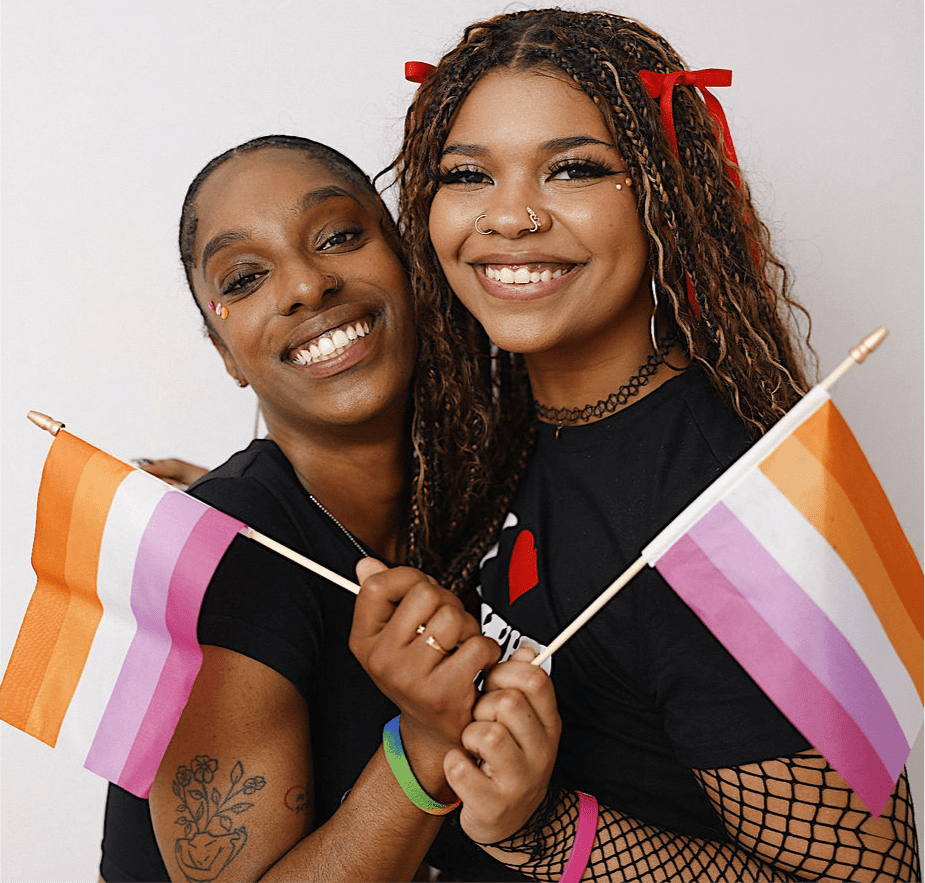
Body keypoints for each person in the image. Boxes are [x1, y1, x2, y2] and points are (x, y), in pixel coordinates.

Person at [352, 9, 920, 881]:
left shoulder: (728, 515)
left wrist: (536, 830)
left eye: (572, 168)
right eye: (466, 174)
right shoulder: (489, 420)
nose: (507, 216)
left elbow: (864, 880)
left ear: (663, 193)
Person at [99, 134, 503, 882]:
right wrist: (423, 744)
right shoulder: (226, 561)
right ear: (225, 351)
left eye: (339, 236)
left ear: (408, 262)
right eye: (246, 277)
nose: (306, 285)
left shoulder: (479, 498)